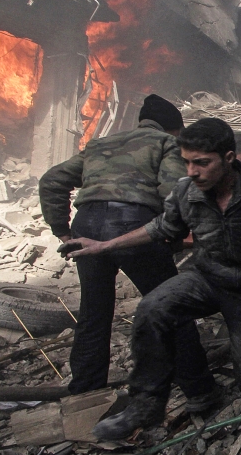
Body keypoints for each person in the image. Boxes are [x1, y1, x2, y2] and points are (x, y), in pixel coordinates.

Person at [61, 118, 241, 440]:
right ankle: (146, 404)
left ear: (228, 158)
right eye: (187, 162)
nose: (192, 171)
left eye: (201, 163)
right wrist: (104, 245)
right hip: (205, 280)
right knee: (152, 308)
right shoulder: (186, 191)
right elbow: (161, 228)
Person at [39, 95, 217, 408]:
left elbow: (51, 180)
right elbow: (176, 191)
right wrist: (174, 235)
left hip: (87, 225)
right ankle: (200, 391)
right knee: (170, 307)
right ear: (175, 129)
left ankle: (84, 397)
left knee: (94, 314)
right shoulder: (166, 143)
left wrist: (62, 230)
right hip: (132, 226)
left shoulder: (99, 144)